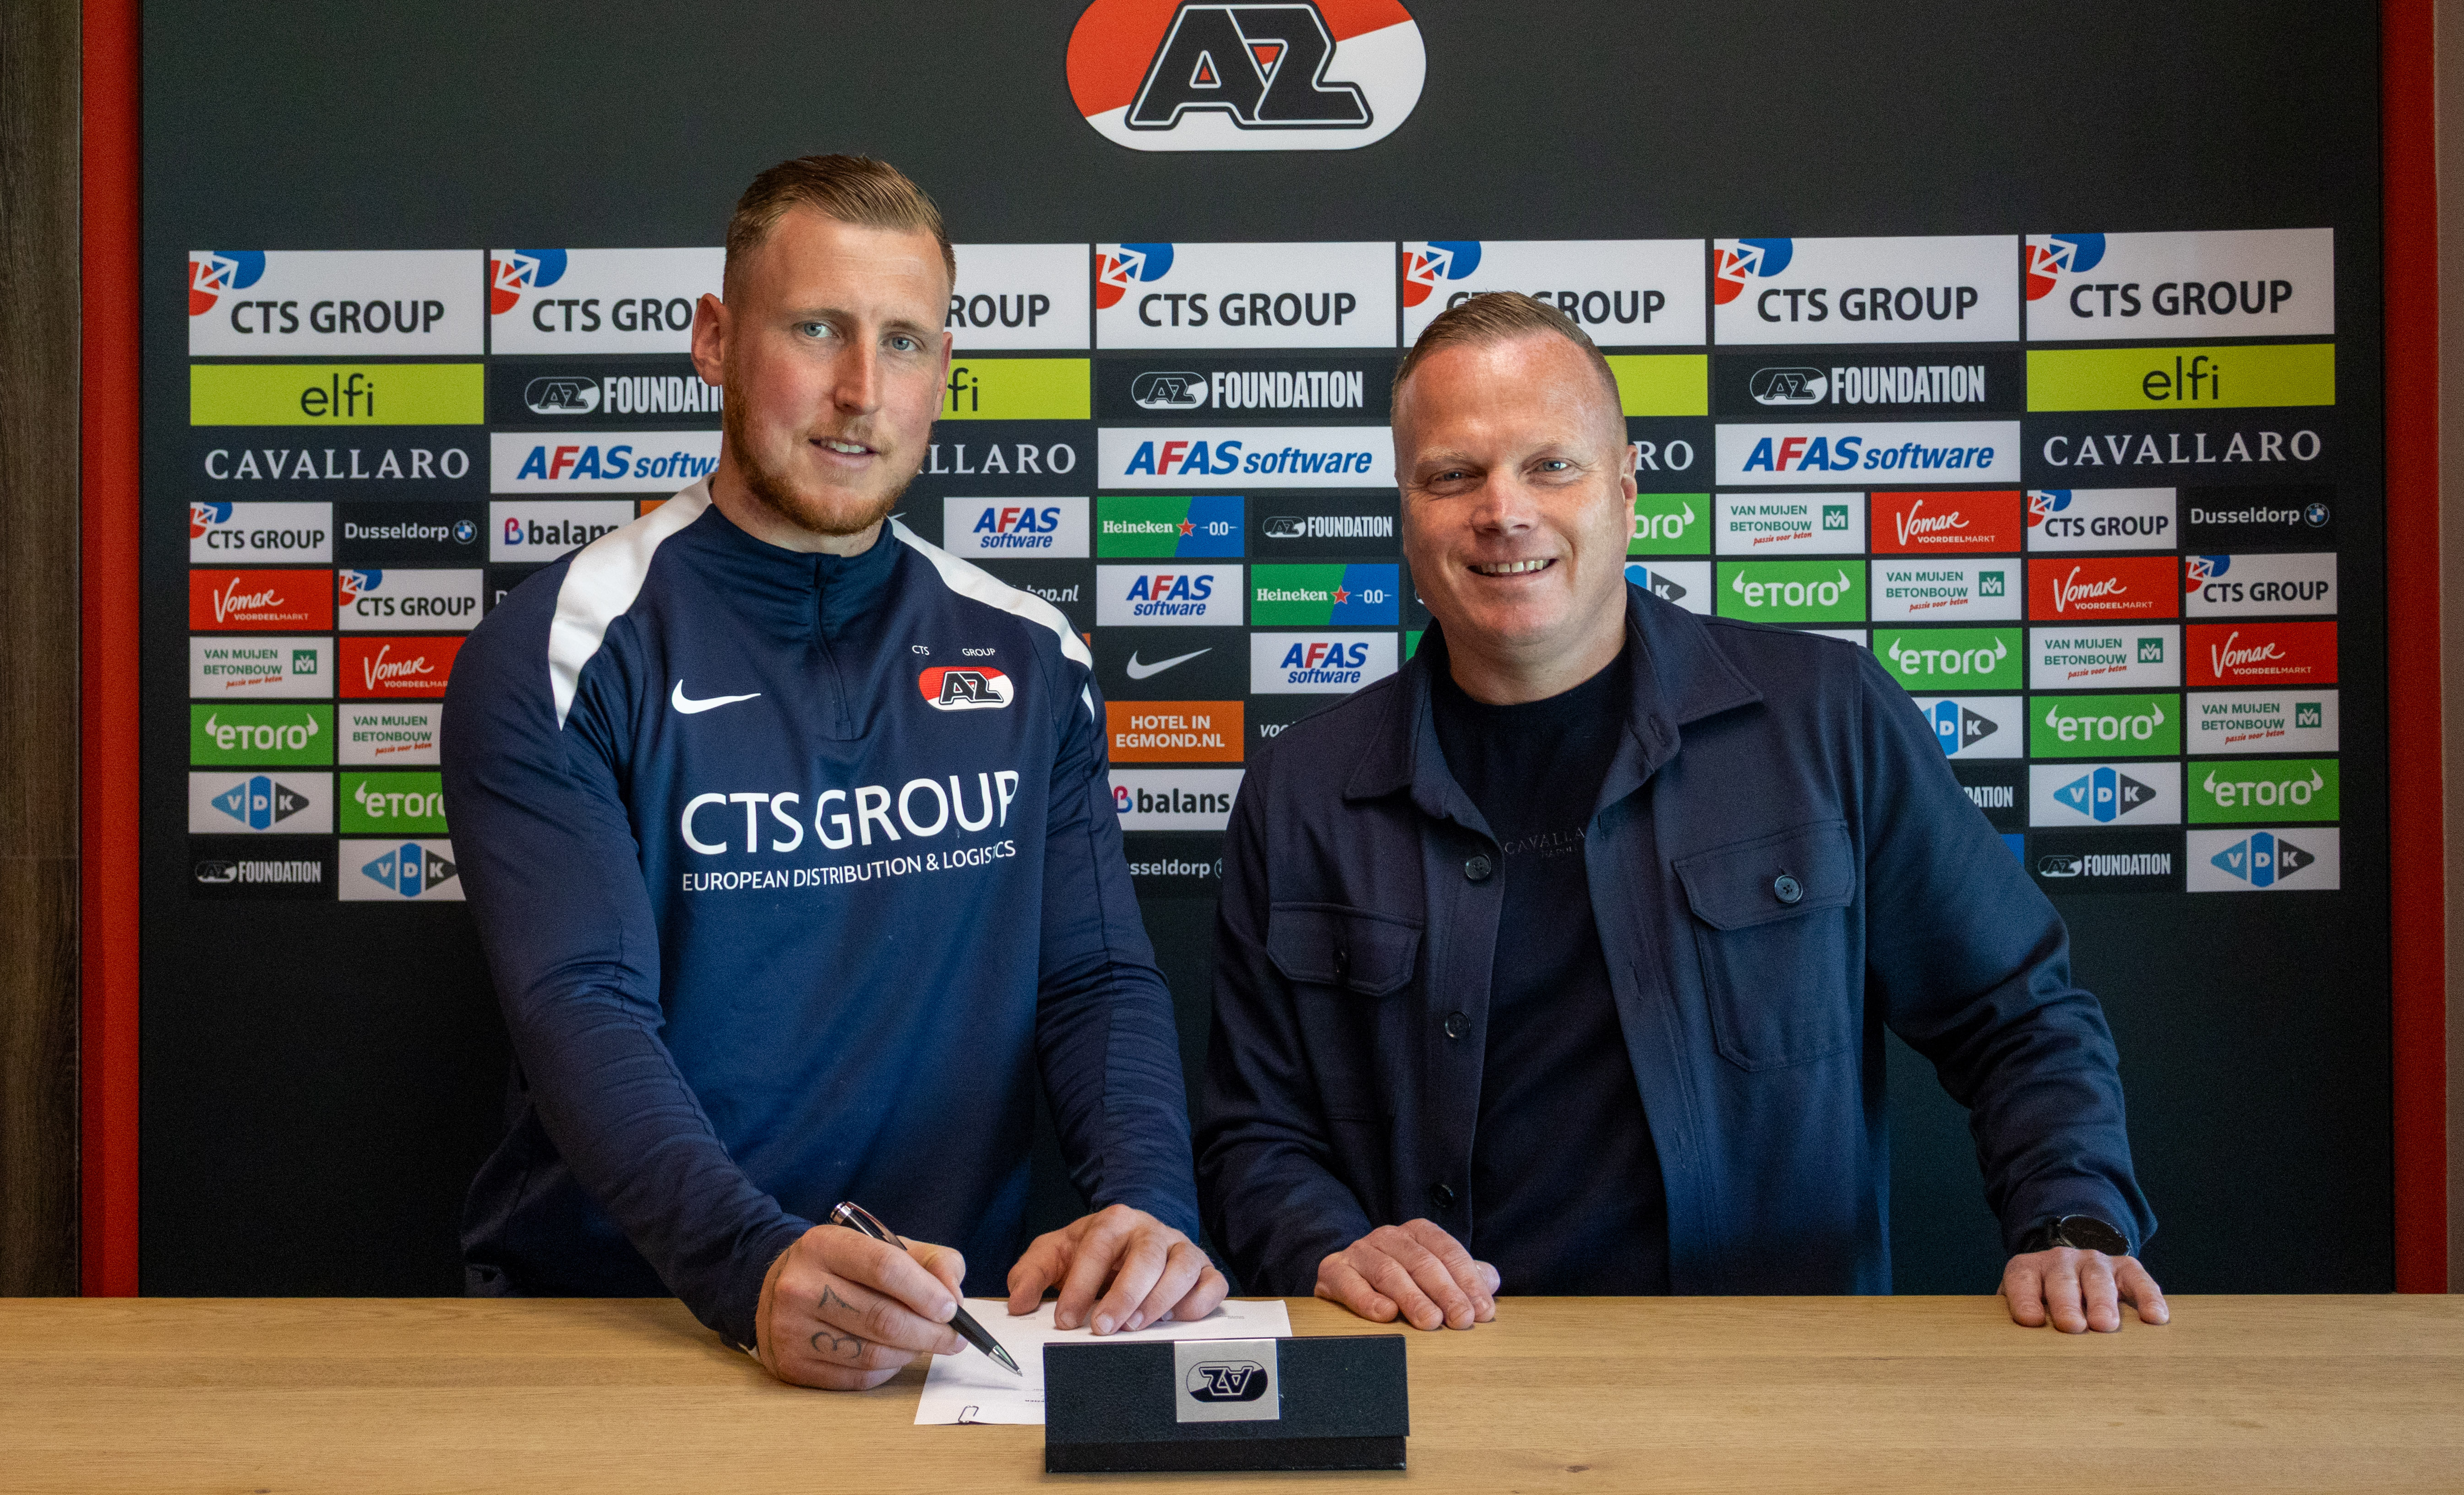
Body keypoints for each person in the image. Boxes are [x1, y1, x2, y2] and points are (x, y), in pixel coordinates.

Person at [1196, 292, 2166, 1337]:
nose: (1502, 510)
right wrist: (1330, 1246)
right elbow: (1253, 1133)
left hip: (1775, 1381)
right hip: (1431, 1373)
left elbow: (2018, 1018)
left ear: (1624, 491)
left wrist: (2071, 1223)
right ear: (1406, 509)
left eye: (1549, 465)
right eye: (1452, 476)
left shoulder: (1826, 720)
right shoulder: (1302, 791)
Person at [444, 154, 1224, 1391]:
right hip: (620, 1324)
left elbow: (1094, 980)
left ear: (942, 371)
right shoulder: (563, 647)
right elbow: (581, 1005)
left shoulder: (1031, 652)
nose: (861, 391)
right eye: (817, 329)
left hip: (939, 1340)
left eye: (904, 343)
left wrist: (1146, 1203)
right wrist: (745, 1263)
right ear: (714, 340)